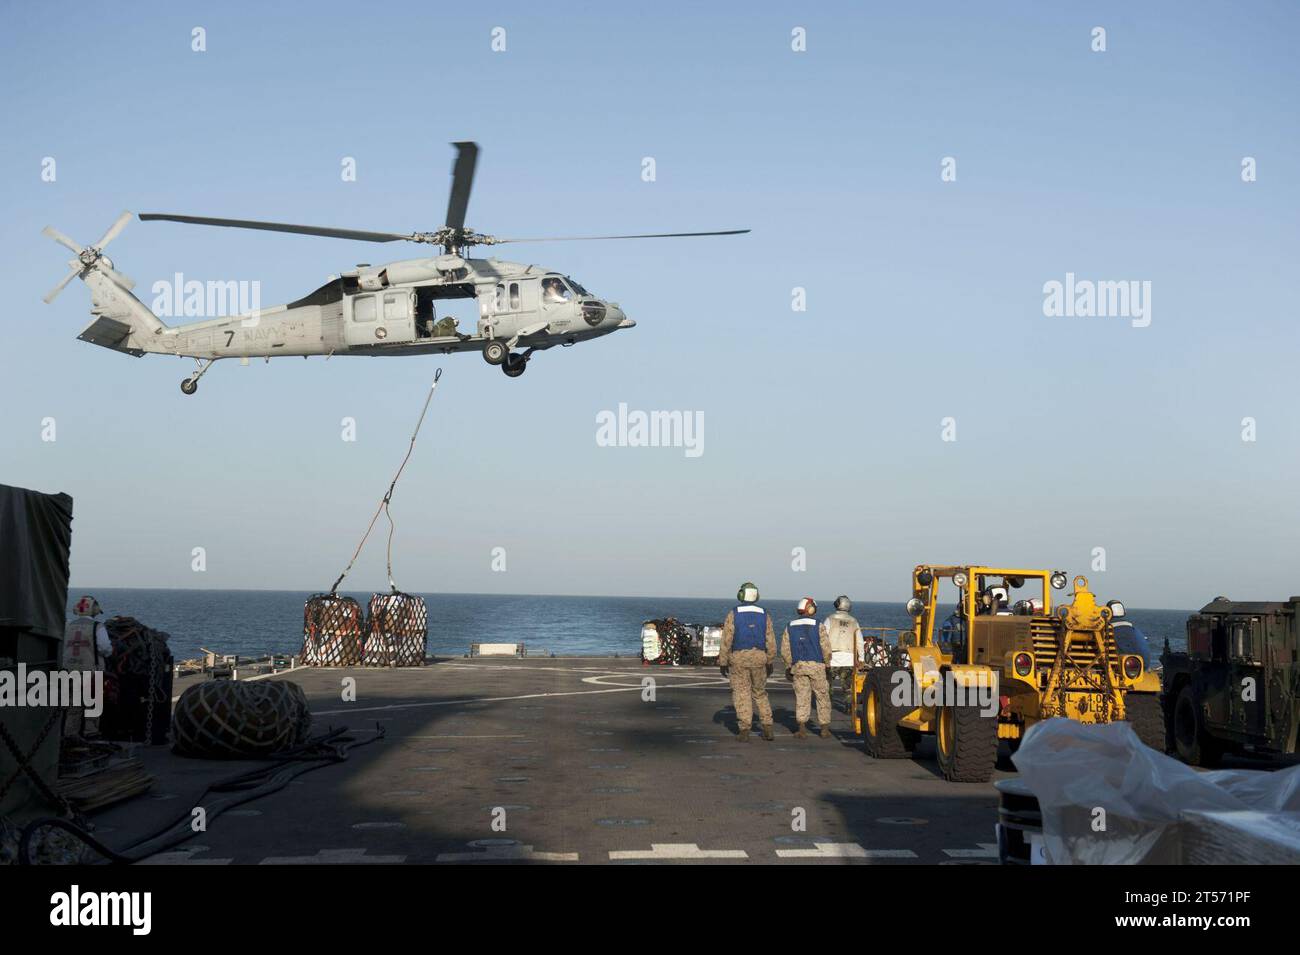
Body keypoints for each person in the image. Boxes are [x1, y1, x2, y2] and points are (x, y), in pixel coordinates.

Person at [718, 581, 776, 741]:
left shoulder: (733, 613)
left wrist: (723, 661)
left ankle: (744, 730)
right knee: (760, 693)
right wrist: (770, 660)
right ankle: (767, 726)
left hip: (739, 658)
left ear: (742, 595)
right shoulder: (765, 614)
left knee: (741, 693)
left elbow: (726, 639)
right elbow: (770, 639)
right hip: (759, 658)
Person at [781, 597, 833, 738]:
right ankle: (824, 729)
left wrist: (788, 666)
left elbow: (785, 650)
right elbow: (826, 648)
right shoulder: (819, 625)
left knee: (802, 697)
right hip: (817, 666)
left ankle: (802, 728)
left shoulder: (790, 626)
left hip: (798, 667)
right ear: (811, 609)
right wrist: (827, 665)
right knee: (822, 697)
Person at [62, 595, 112, 737]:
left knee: (73, 706)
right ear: (94, 610)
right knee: (93, 705)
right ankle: (90, 734)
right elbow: (105, 648)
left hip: (70, 671)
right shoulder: (97, 627)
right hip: (91, 672)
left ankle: (70, 735)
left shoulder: (69, 626)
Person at [823, 595, 860, 709]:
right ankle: (849, 708)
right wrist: (862, 659)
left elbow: (823, 638)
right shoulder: (854, 621)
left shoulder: (830, 619)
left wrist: (822, 656)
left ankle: (827, 706)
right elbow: (860, 641)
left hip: (832, 658)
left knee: (827, 685)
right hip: (849, 658)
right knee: (848, 687)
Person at [1107, 600, 1155, 670]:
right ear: (1124, 612)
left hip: (1121, 669)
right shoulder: (1135, 631)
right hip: (1143, 667)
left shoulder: (1108, 632)